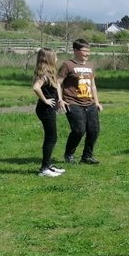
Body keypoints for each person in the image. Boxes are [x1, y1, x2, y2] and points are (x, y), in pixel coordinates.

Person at [59, 38, 102, 165]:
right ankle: (69, 154)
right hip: (73, 102)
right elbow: (57, 83)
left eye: (88, 51)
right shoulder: (67, 65)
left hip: (90, 103)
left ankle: (87, 157)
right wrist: (60, 99)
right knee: (79, 130)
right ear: (75, 50)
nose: (87, 53)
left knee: (94, 130)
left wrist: (97, 102)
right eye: (84, 51)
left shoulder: (90, 66)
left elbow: (92, 85)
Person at [31, 47, 66, 177]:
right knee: (51, 138)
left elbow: (57, 86)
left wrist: (59, 100)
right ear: (49, 58)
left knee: (52, 137)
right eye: (55, 56)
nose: (57, 58)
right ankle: (44, 169)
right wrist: (45, 100)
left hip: (49, 109)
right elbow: (36, 87)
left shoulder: (50, 73)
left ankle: (49, 165)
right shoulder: (44, 74)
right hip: (45, 109)